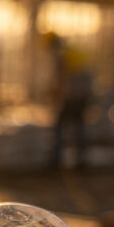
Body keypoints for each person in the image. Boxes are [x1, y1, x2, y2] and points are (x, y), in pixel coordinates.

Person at [43, 31, 93, 170]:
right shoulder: (71, 51)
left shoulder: (61, 55)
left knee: (59, 126)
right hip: (84, 95)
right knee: (79, 126)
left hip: (72, 96)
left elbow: (60, 78)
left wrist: (54, 94)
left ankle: (55, 160)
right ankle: (82, 159)